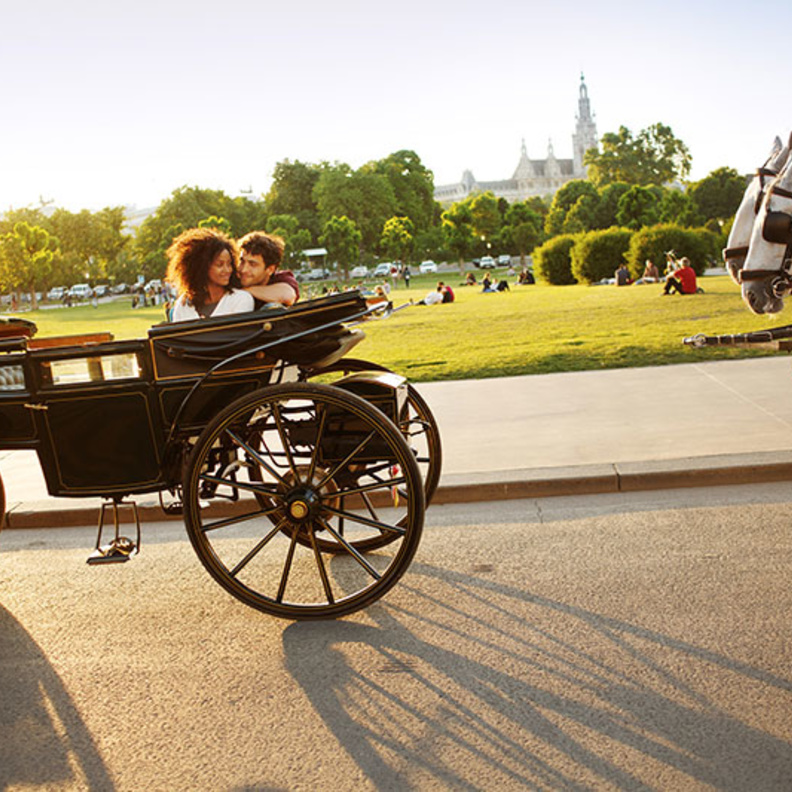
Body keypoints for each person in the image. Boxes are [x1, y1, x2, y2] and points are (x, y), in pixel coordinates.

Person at [166, 227, 254, 321]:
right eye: (220, 265)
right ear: (202, 267)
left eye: (229, 264)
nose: (227, 270)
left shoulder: (241, 299)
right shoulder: (183, 305)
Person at [237, 231, 299, 308]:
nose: (243, 269)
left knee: (272, 307)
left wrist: (244, 290)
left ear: (270, 269)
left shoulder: (282, 278)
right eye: (242, 261)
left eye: (252, 264)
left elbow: (287, 296)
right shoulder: (233, 278)